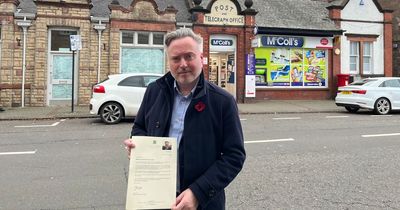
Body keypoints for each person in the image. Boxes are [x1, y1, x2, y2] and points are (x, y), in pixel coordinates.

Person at [123, 28, 245, 210]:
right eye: (176, 58)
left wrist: (198, 193)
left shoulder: (222, 101)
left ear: (201, 58)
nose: (183, 64)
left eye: (189, 56)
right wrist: (137, 145)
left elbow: (234, 156)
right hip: (156, 198)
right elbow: (140, 127)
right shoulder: (154, 91)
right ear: (169, 61)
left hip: (203, 203)